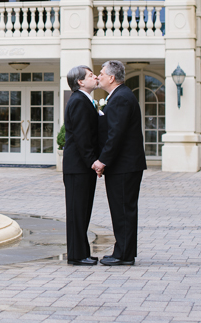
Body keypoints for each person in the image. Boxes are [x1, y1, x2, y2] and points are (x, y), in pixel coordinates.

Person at [92, 60, 146, 266]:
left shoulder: (121, 98)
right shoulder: (119, 96)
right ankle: (125, 252)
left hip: (124, 166)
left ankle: (123, 254)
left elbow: (116, 134)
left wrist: (102, 160)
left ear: (112, 78)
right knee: (122, 209)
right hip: (125, 165)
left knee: (123, 210)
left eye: (102, 73)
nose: (99, 76)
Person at [63, 65, 100, 266]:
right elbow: (81, 136)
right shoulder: (78, 101)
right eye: (91, 75)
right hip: (78, 167)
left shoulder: (84, 100)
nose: (95, 77)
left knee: (83, 211)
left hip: (80, 167)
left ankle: (82, 251)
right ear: (80, 82)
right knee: (77, 212)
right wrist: (92, 162)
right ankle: (77, 255)